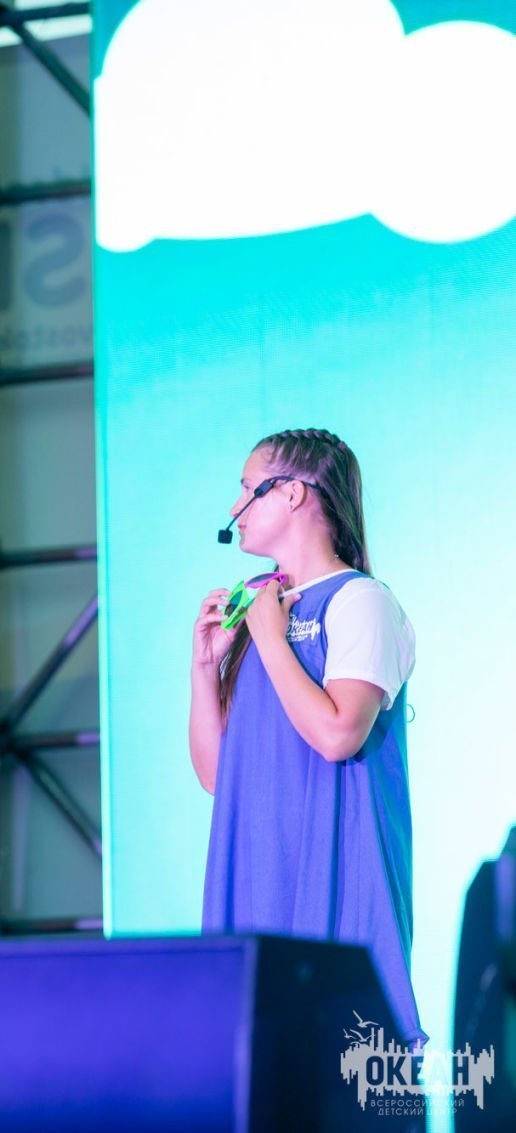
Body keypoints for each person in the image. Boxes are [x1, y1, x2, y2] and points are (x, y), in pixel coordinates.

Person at [190, 429, 422, 1044]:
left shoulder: (359, 601)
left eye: (248, 489)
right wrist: (205, 668)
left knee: (338, 1059)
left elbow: (339, 733)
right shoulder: (257, 610)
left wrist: (269, 637)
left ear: (291, 493)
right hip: (259, 880)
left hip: (337, 886)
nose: (235, 508)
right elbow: (219, 777)